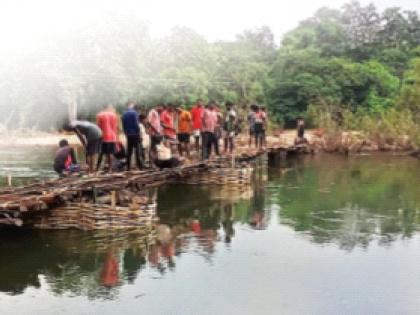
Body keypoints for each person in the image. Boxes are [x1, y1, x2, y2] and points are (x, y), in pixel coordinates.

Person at [122, 102, 144, 170]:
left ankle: (128, 167)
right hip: (135, 134)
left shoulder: (124, 114)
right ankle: (140, 167)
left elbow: (124, 125)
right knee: (137, 150)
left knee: (129, 151)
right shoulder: (134, 113)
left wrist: (126, 133)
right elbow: (136, 124)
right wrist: (139, 133)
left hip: (128, 135)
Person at [96, 104, 119, 171]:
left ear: (102, 108)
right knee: (110, 153)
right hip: (112, 137)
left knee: (101, 153)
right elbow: (115, 127)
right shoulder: (113, 115)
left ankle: (97, 168)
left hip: (103, 137)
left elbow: (98, 127)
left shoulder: (99, 115)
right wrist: (116, 138)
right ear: (108, 108)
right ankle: (110, 169)